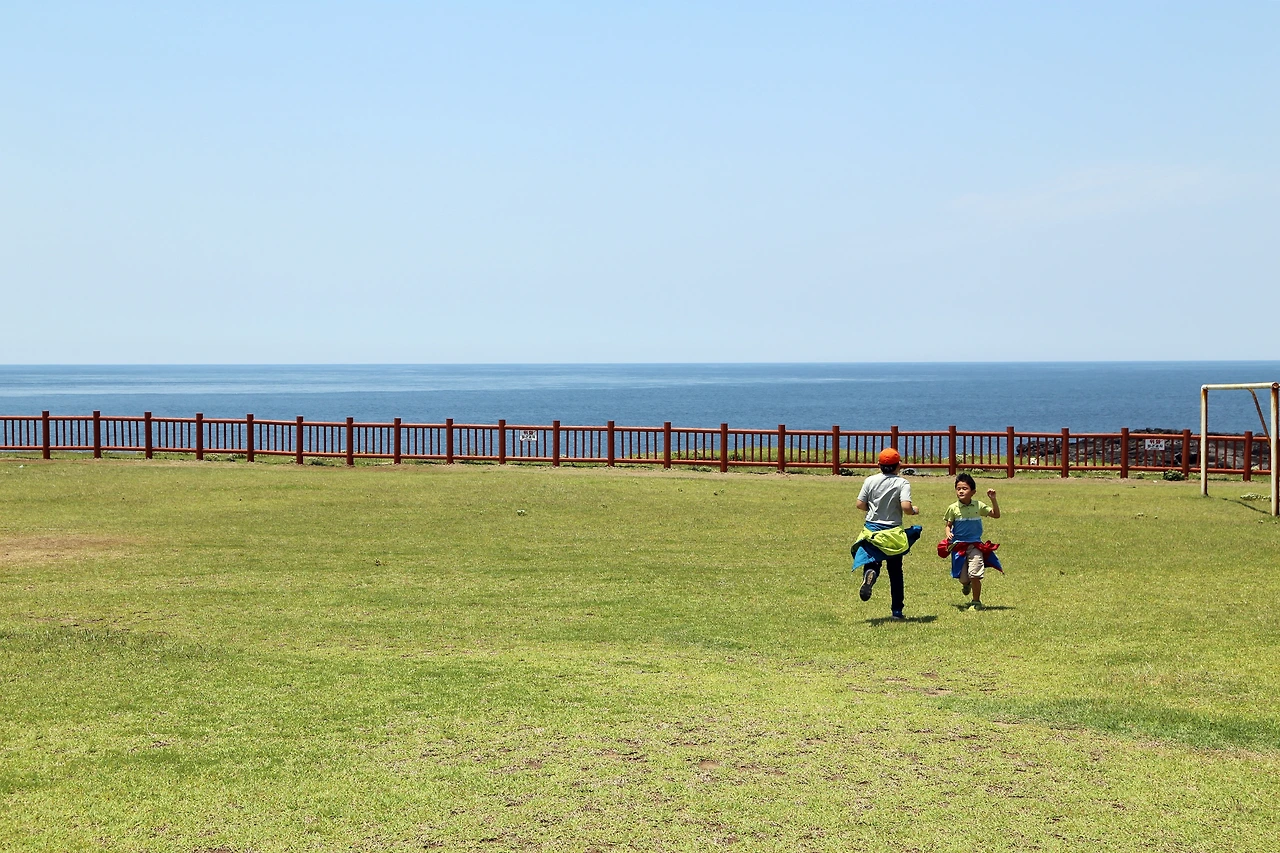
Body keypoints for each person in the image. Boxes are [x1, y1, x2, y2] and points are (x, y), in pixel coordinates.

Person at [852, 447, 922, 620]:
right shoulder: (902, 483)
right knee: (895, 571)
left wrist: (873, 508)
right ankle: (897, 611)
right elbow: (906, 508)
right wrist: (914, 511)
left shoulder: (870, 480)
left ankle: (871, 574)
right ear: (899, 465)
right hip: (892, 532)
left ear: (879, 465)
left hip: (872, 529)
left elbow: (860, 504)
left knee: (873, 561)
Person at [941, 473, 1002, 610]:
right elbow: (948, 525)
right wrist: (948, 533)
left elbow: (996, 515)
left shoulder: (978, 505)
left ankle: (976, 601)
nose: (961, 491)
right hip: (959, 546)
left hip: (975, 546)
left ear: (973, 492)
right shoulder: (953, 508)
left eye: (965, 488)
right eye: (958, 488)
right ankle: (965, 584)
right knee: (963, 578)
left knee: (975, 574)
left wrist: (993, 500)